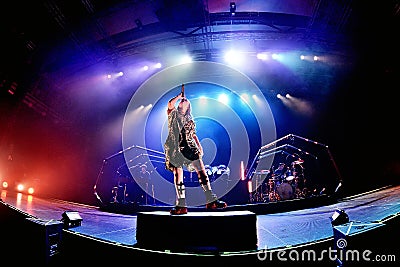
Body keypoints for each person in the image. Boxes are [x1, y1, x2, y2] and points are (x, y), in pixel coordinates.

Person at [164, 84, 227, 215]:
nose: (183, 100)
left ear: (188, 107)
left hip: (190, 147)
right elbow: (170, 104)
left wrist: (199, 145)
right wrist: (179, 96)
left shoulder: (190, 119)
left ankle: (211, 200)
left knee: (202, 171)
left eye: (186, 100)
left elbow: (193, 134)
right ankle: (181, 205)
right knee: (178, 174)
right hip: (175, 147)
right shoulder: (173, 114)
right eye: (182, 100)